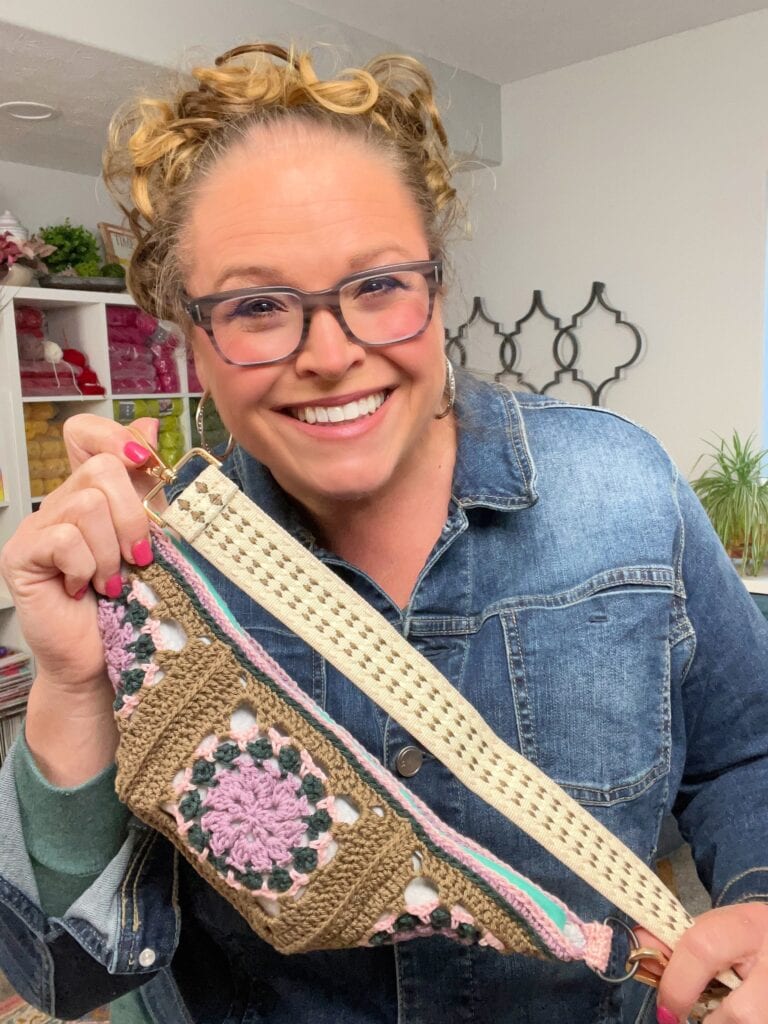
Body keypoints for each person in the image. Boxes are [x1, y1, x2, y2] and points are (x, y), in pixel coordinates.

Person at [0, 41, 767, 1024]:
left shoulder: (623, 492)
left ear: (436, 290)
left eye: (377, 286)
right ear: (188, 337)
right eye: (258, 305)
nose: (331, 354)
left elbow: (746, 751)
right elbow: (66, 976)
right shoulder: (159, 579)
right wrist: (71, 684)